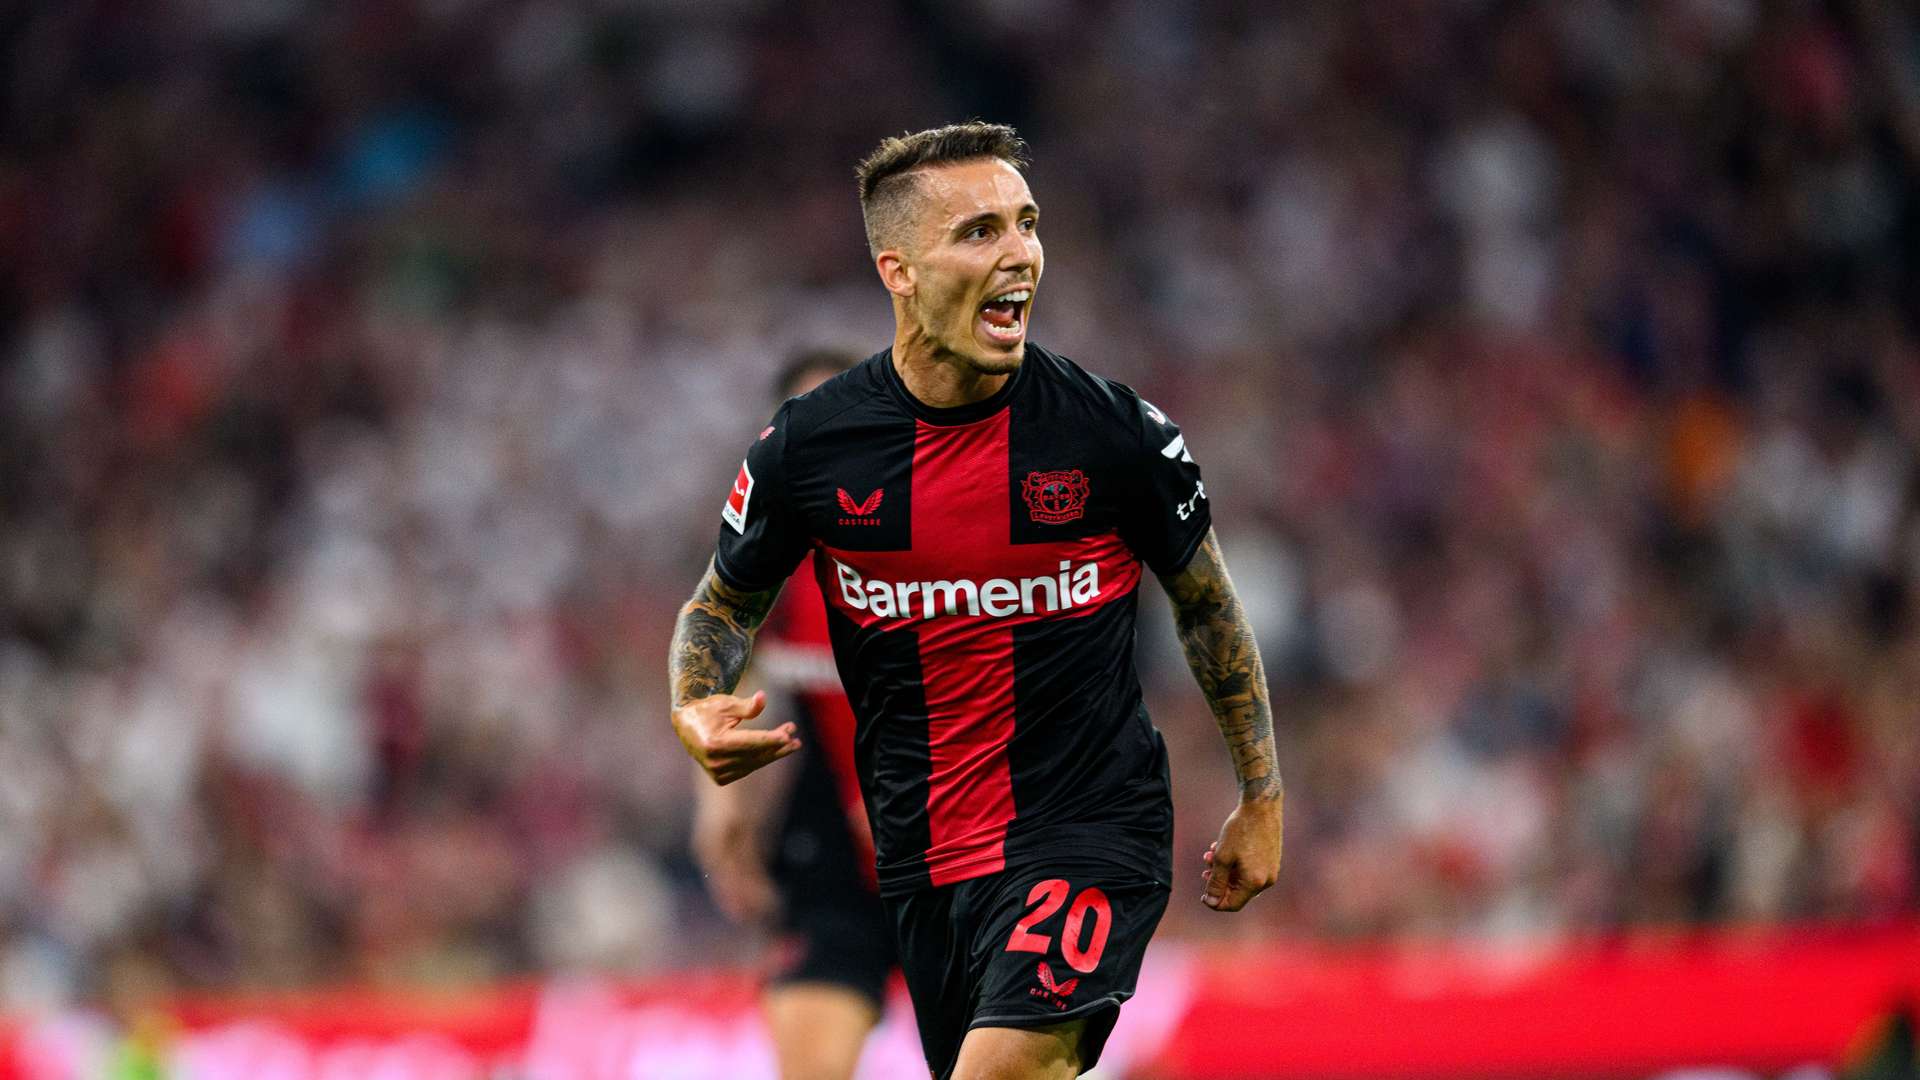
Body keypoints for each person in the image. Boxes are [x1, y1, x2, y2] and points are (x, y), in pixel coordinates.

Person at [668, 122, 1282, 1080]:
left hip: (1088, 830)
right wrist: (693, 701)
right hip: (922, 855)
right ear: (899, 271)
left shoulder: (1113, 432)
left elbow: (1207, 605)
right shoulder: (811, 449)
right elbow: (720, 606)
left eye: (1027, 223)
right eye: (979, 231)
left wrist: (1262, 794)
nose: (1020, 252)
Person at [690, 349, 897, 1080]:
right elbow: (727, 672)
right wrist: (720, 807)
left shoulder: (954, 535)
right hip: (830, 855)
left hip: (960, 849)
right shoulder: (765, 558)